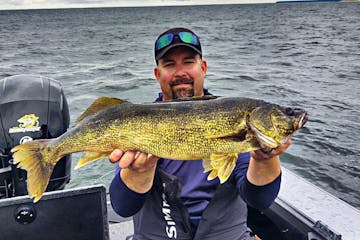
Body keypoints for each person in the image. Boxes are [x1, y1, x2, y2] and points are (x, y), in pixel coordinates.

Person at [109, 27, 291, 240]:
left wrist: (265, 160)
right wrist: (138, 173)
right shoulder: (141, 122)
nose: (180, 73)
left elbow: (259, 199)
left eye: (188, 62)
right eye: (169, 64)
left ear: (202, 67)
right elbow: (122, 206)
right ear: (157, 74)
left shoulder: (232, 116)